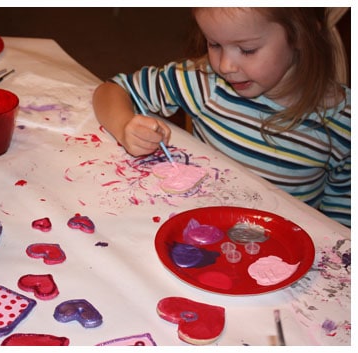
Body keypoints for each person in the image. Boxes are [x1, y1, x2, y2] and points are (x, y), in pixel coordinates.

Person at [92, 7, 350, 227]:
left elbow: (340, 228)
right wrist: (125, 125)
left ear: (302, 37)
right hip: (197, 229)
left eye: (247, 50)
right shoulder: (205, 82)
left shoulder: (346, 122)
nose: (225, 66)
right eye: (214, 44)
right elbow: (111, 90)